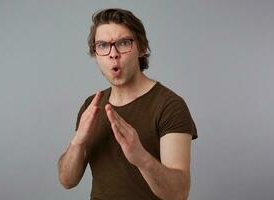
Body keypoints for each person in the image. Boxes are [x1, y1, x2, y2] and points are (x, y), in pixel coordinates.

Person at [58, 8, 197, 200]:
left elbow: (179, 193)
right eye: (103, 45)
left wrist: (141, 159)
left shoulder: (170, 105)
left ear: (141, 48)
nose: (113, 54)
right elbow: (67, 181)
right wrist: (78, 142)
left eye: (123, 43)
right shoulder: (92, 105)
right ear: (95, 53)